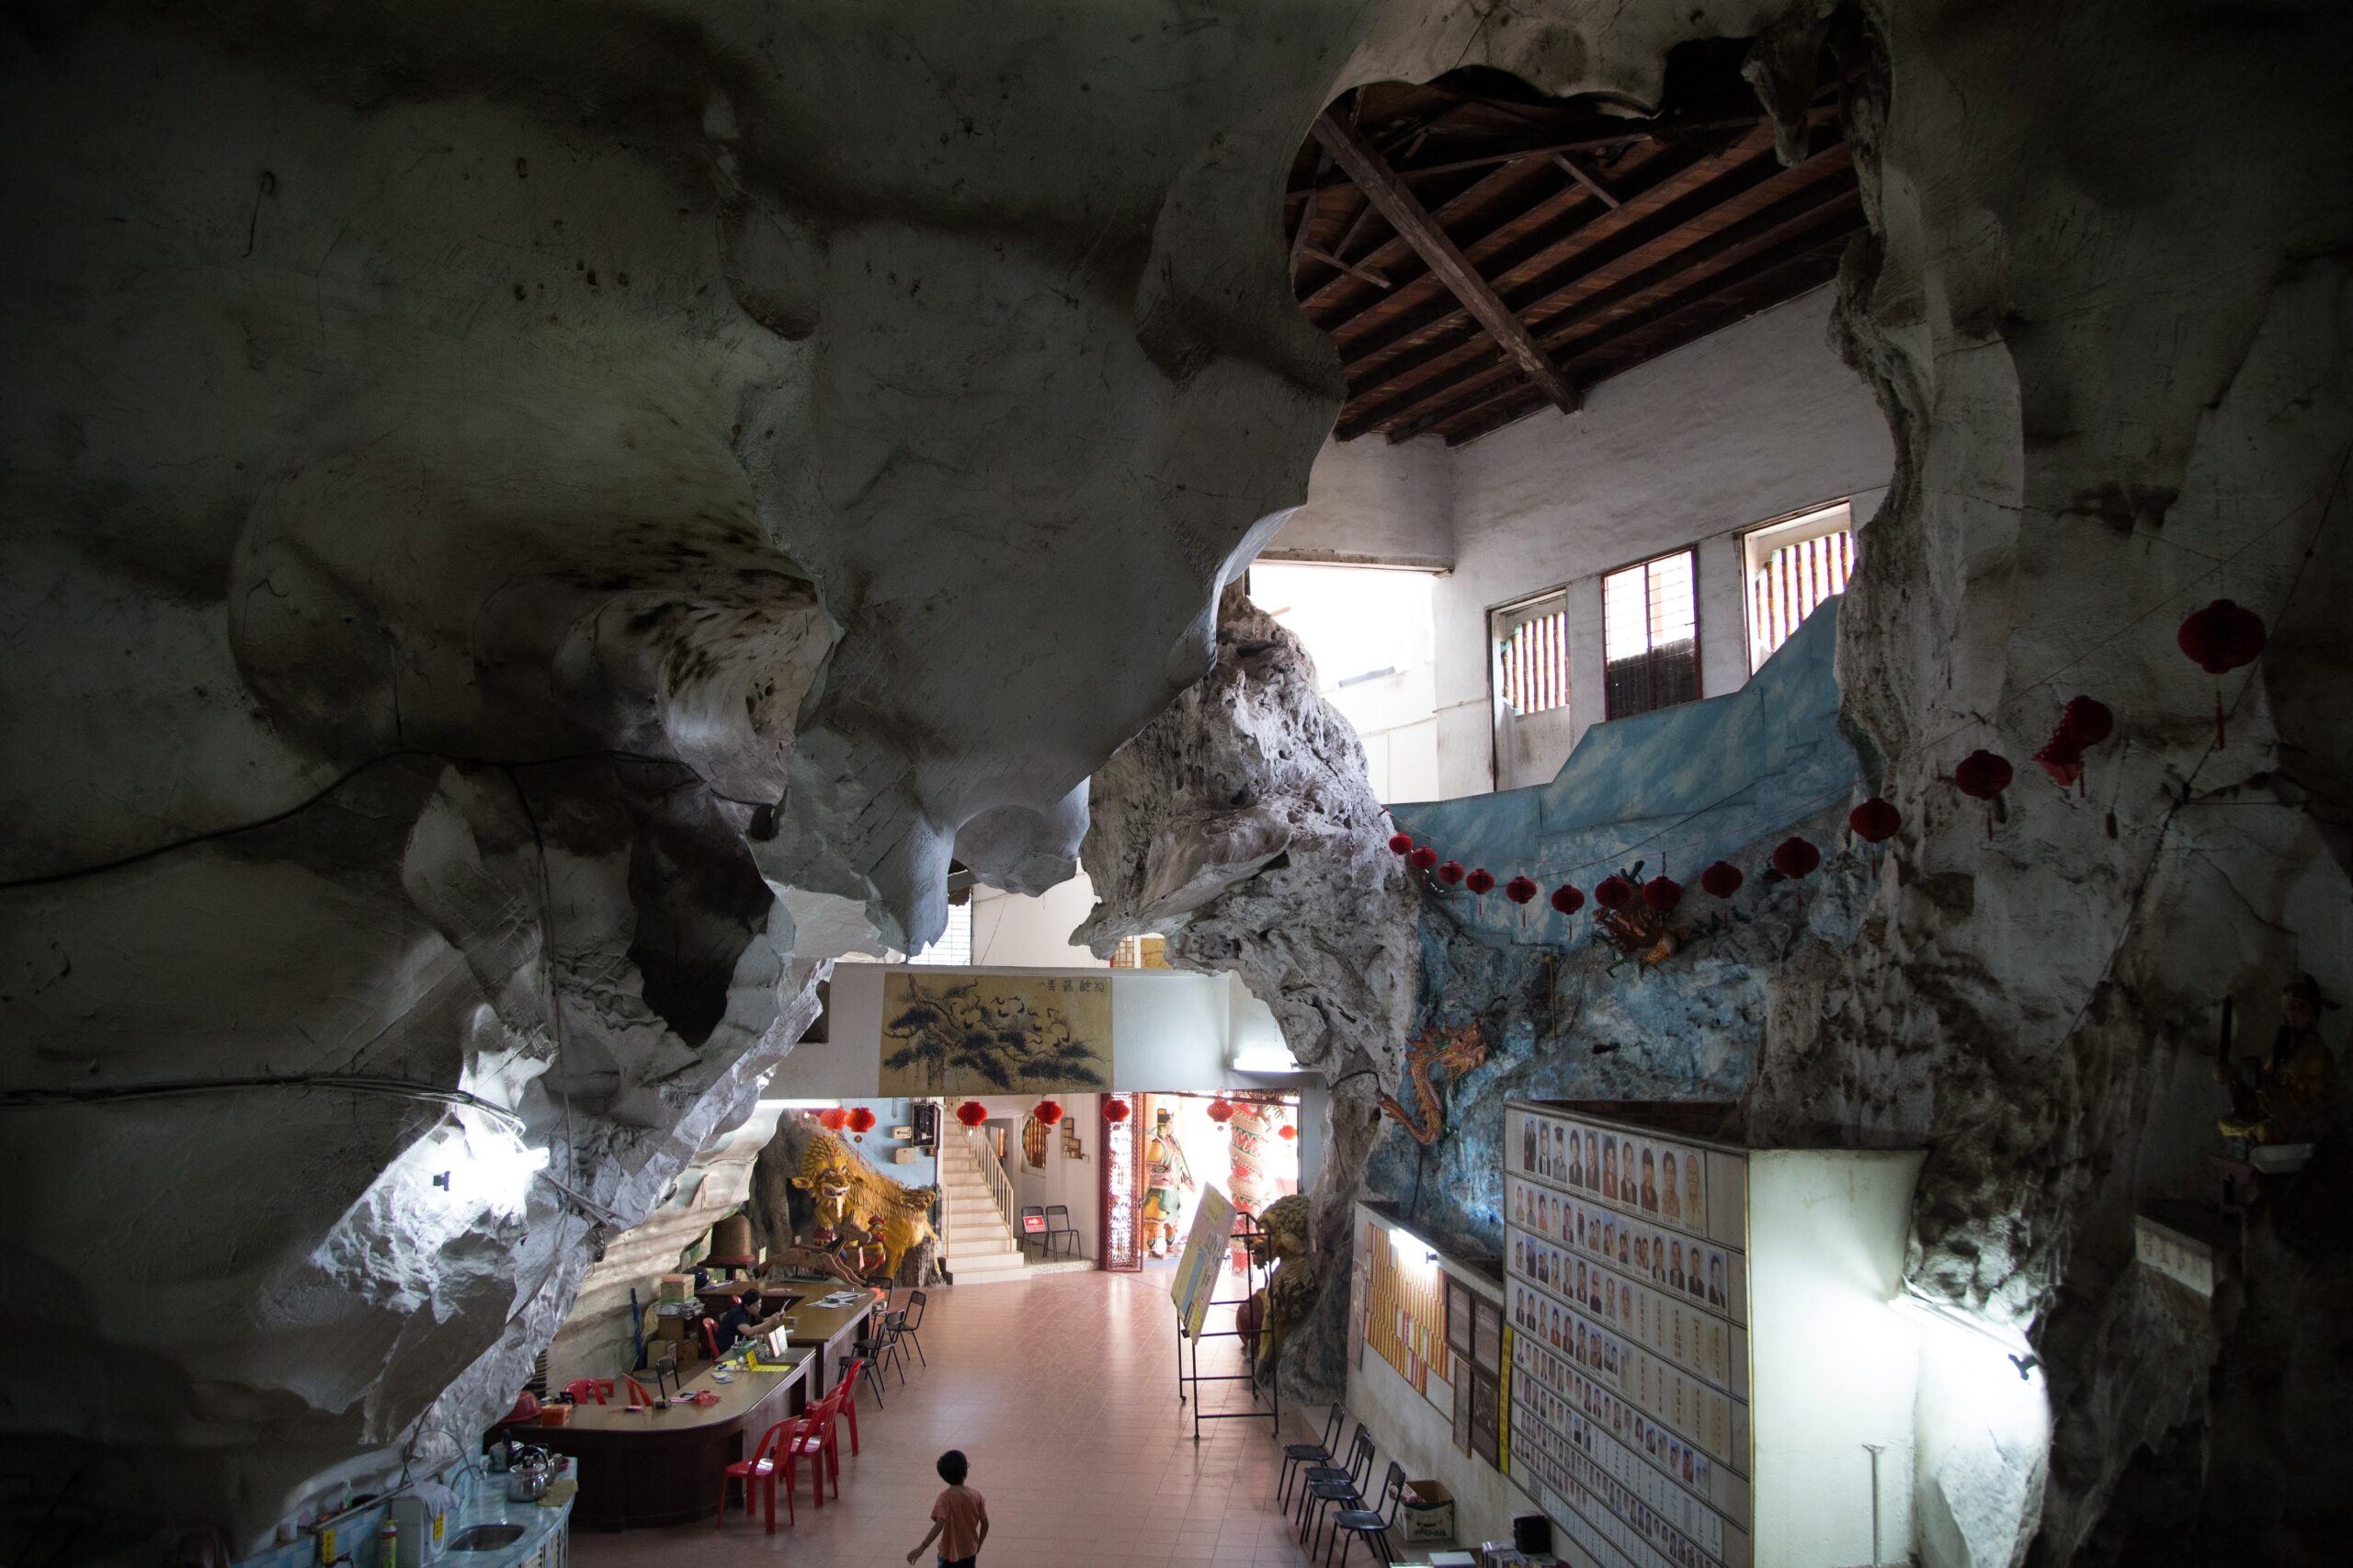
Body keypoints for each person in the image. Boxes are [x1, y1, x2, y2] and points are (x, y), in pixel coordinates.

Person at [908, 1449, 988, 1568]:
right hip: (969, 1552)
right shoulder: (976, 1495)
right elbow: (985, 1524)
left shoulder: (945, 1498)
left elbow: (939, 1525)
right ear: (964, 1471)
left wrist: (922, 1548)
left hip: (948, 1554)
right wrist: (979, 1544)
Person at [712, 1286, 766, 1355]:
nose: (759, 1307)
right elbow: (749, 1332)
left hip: (739, 1345)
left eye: (760, 1303)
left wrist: (776, 1318)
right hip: (727, 1349)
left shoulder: (750, 1311)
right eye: (756, 1305)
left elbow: (762, 1321)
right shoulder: (738, 1314)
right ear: (747, 1306)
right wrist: (770, 1322)